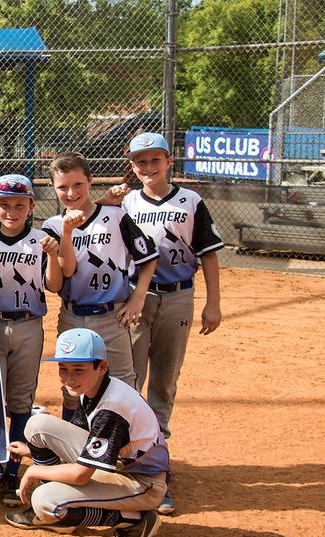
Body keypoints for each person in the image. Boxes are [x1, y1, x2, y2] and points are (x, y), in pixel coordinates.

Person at [121, 132, 224, 515]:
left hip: (179, 293)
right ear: (131, 166)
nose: (147, 168)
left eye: (154, 160)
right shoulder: (126, 202)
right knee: (130, 377)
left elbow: (209, 255)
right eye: (140, 162)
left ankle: (155, 457)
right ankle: (130, 450)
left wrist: (213, 303)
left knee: (164, 379)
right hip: (136, 298)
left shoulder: (190, 201)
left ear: (168, 161)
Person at [5, 328, 169, 537]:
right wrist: (31, 450)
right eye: (64, 369)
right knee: (37, 427)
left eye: (79, 370)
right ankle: (63, 509)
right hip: (117, 464)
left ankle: (134, 521)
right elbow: (86, 442)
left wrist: (34, 470)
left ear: (102, 367)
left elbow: (81, 474)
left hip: (143, 483)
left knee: (45, 501)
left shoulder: (112, 408)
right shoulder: (91, 390)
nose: (70, 378)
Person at [40, 153, 158, 422]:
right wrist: (67, 232)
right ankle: (76, 440)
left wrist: (138, 297)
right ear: (52, 188)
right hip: (73, 314)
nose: (71, 193)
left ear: (91, 181)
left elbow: (148, 258)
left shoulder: (115, 216)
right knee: (73, 385)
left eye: (78, 184)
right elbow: (63, 275)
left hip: (112, 314)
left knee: (123, 381)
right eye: (62, 187)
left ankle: (128, 446)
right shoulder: (52, 227)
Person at [0, 174, 62, 505]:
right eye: (4, 204)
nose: (11, 211)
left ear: (31, 206)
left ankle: (10, 470)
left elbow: (53, 286)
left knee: (20, 402)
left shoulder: (41, 240)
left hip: (29, 324)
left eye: (19, 204)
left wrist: (54, 255)